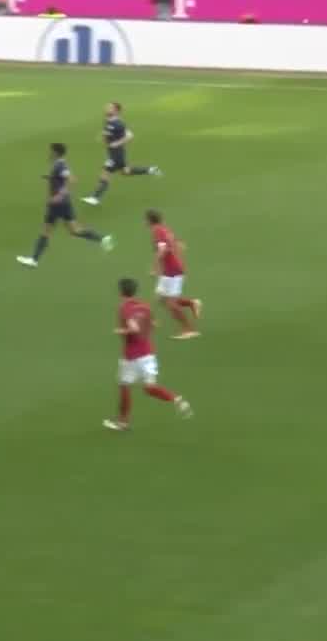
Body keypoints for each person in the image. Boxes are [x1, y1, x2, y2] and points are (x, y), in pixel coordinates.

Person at [105, 277, 193, 431]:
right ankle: (177, 399)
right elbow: (154, 324)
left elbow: (134, 328)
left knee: (125, 386)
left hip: (131, 356)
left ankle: (123, 422)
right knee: (150, 388)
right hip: (148, 354)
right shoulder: (144, 306)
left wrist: (121, 331)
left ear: (121, 292)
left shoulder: (124, 307)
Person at [17, 143, 112, 267]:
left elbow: (72, 180)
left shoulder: (60, 165)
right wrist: (50, 178)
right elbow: (62, 179)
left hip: (58, 204)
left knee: (46, 231)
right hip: (64, 203)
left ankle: (34, 259)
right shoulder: (60, 164)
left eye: (51, 151)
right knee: (74, 231)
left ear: (55, 153)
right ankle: (103, 239)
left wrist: (59, 196)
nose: (49, 153)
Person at [83, 102, 160, 206]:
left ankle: (95, 198)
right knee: (125, 172)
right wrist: (104, 137)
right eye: (107, 107)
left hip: (116, 155)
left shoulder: (118, 124)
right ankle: (150, 170)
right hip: (114, 153)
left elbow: (130, 136)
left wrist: (117, 143)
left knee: (105, 174)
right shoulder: (109, 121)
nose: (106, 108)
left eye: (110, 107)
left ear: (116, 111)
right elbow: (109, 135)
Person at [147, 209, 201, 338]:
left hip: (173, 270)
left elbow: (162, 250)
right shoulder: (165, 229)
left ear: (148, 221)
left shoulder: (157, 231)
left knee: (172, 304)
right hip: (169, 269)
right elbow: (180, 244)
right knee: (161, 298)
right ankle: (192, 303)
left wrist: (154, 267)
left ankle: (189, 330)